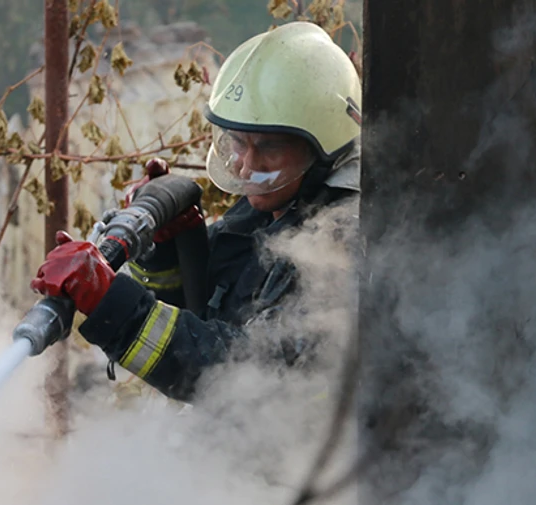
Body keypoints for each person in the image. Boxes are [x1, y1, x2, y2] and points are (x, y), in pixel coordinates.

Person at [30, 21, 362, 402]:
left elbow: (243, 376)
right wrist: (168, 253)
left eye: (269, 147)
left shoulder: (343, 244)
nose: (245, 166)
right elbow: (200, 316)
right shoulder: (268, 211)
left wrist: (113, 305)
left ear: (323, 149)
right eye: (238, 142)